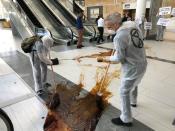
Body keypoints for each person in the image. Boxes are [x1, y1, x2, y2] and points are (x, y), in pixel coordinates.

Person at [99, 12, 147, 126]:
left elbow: (119, 58)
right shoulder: (132, 24)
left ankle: (126, 119)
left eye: (109, 27)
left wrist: (105, 58)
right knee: (135, 83)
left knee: (124, 91)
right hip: (142, 62)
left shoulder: (119, 37)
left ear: (116, 24)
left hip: (132, 67)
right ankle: (133, 101)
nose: (108, 29)